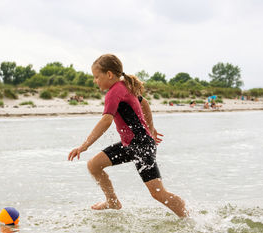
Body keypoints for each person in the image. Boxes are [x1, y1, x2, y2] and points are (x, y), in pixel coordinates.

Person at [68, 54, 188, 218]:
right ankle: (112, 202)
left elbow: (106, 120)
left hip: (141, 147)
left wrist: (84, 146)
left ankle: (188, 216)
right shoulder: (124, 87)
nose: (95, 81)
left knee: (158, 193)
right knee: (94, 165)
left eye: (97, 77)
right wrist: (150, 129)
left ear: (109, 74)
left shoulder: (114, 92)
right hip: (131, 145)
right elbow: (143, 102)